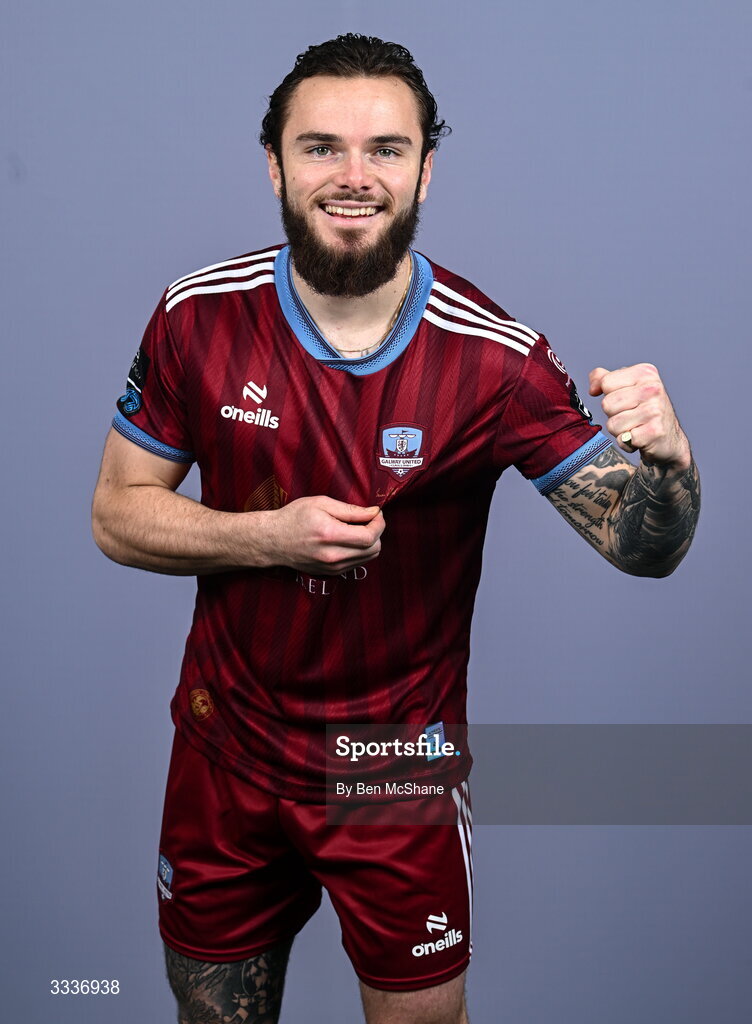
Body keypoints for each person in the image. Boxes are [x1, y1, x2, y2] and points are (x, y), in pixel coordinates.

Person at [92, 33, 700, 1024]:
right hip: (225, 745)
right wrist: (266, 537)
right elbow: (115, 513)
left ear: (425, 168)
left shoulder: (493, 361)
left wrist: (671, 465)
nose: (352, 177)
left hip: (393, 768)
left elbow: (644, 545)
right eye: (320, 146)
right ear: (274, 163)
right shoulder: (195, 317)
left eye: (384, 149)